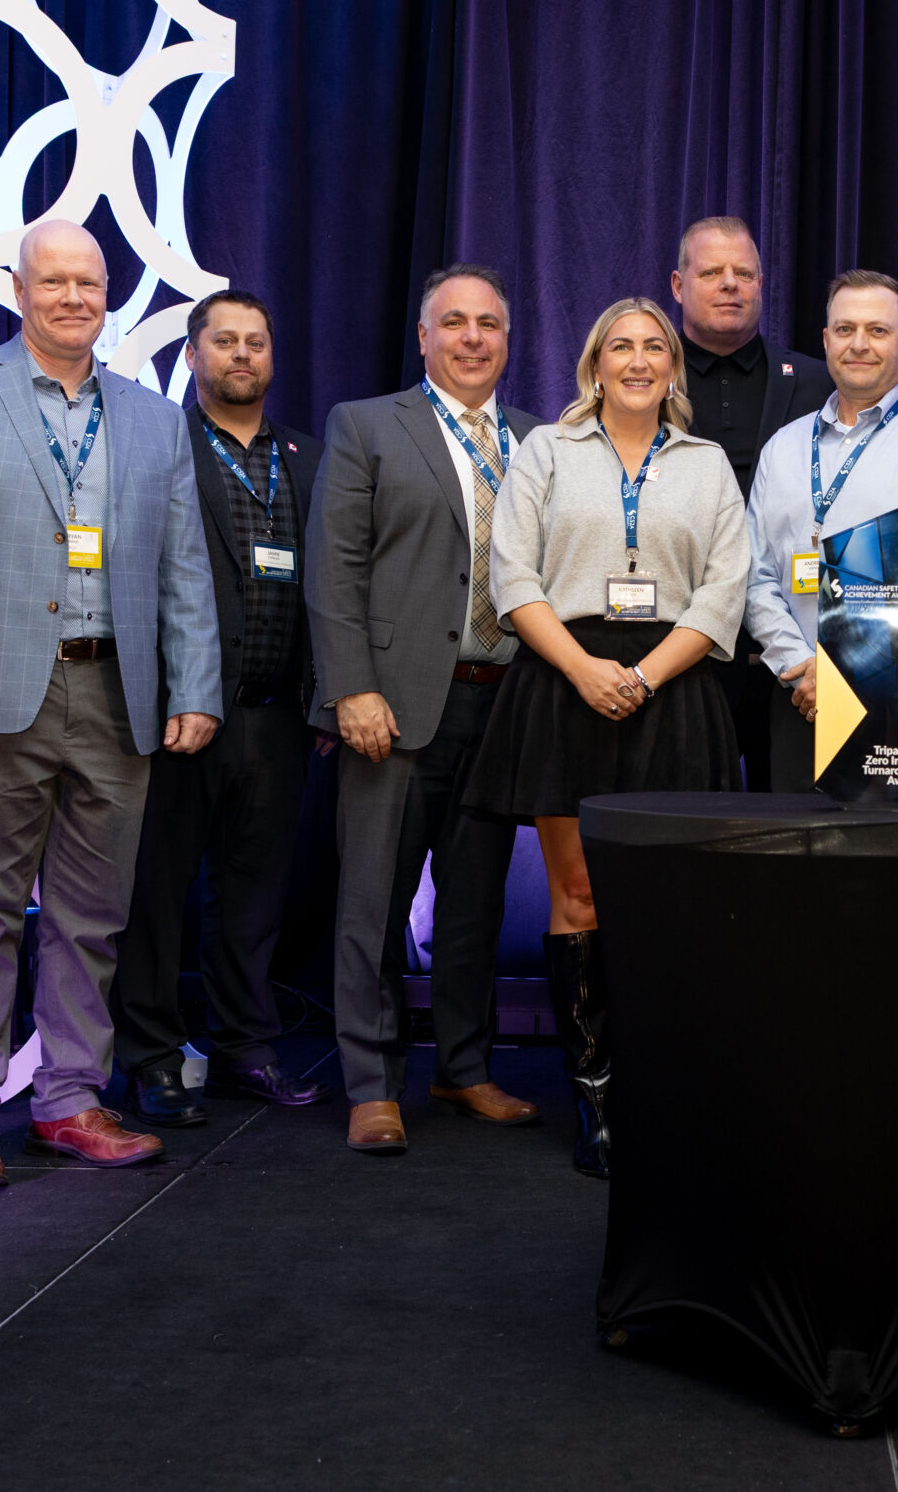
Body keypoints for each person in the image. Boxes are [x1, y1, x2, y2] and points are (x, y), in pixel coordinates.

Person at [0, 219, 220, 1193]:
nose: (73, 297)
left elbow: (185, 568)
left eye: (88, 283)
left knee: (92, 916)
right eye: (53, 281)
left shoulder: (153, 417)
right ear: (19, 291)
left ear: (109, 295)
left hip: (117, 695)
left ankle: (69, 1099)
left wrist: (194, 685)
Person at [466, 296, 751, 1179]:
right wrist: (585, 670)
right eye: (619, 346)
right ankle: (594, 1096)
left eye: (653, 346)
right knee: (581, 893)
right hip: (564, 680)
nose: (637, 360)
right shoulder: (546, 451)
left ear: (673, 367)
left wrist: (646, 675)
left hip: (675, 685)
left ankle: (660, 1088)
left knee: (670, 900)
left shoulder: (707, 463)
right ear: (594, 365)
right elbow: (512, 575)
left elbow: (725, 588)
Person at [305, 265, 545, 1155]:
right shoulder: (367, 425)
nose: (472, 337)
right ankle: (372, 1083)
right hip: (393, 706)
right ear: (424, 337)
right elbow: (335, 566)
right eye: (454, 322)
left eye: (489, 323)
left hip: (504, 703)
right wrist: (351, 687)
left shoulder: (540, 439)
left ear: (508, 339)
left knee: (477, 903)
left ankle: (463, 1066)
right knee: (374, 901)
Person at [113, 290, 331, 1126]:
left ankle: (245, 1047)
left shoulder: (308, 457)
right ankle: (151, 1057)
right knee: (156, 894)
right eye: (225, 340)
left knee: (254, 895)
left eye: (257, 342)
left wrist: (324, 694)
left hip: (279, 715)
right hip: (182, 712)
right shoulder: (158, 446)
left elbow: (333, 586)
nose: (243, 354)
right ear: (193, 354)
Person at [746, 270, 898, 794]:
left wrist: (848, 670)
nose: (859, 344)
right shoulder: (783, 448)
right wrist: (801, 666)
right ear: (825, 340)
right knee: (797, 846)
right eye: (845, 329)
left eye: (878, 330)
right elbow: (756, 578)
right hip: (802, 698)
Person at [672, 216, 834, 789]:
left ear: (762, 284)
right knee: (686, 822)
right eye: (711, 272)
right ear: (678, 285)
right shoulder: (643, 380)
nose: (729, 284)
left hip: (793, 653)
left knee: (794, 820)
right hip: (681, 648)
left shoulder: (817, 382)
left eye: (744, 273)